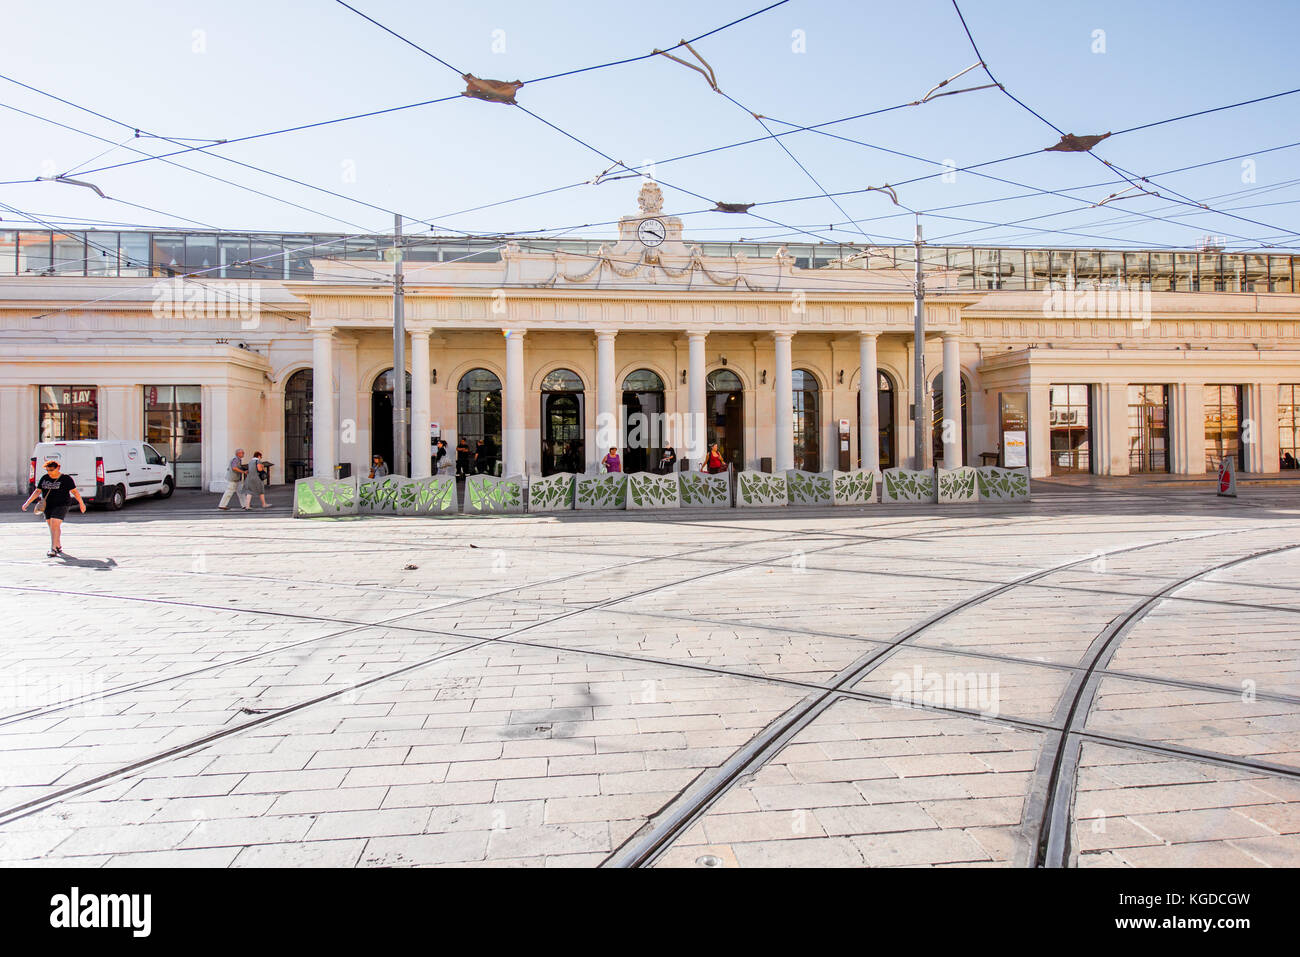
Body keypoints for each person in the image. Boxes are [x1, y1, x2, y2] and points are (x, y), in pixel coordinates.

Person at [21, 460, 86, 557]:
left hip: (62, 504)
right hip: (48, 505)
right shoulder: (45, 478)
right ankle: (58, 545)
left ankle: (53, 548)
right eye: (47, 470)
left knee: (54, 522)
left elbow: (75, 492)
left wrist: (82, 503)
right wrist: (27, 503)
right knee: (52, 526)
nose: (49, 472)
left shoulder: (66, 479)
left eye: (51, 470)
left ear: (58, 468)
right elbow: (37, 491)